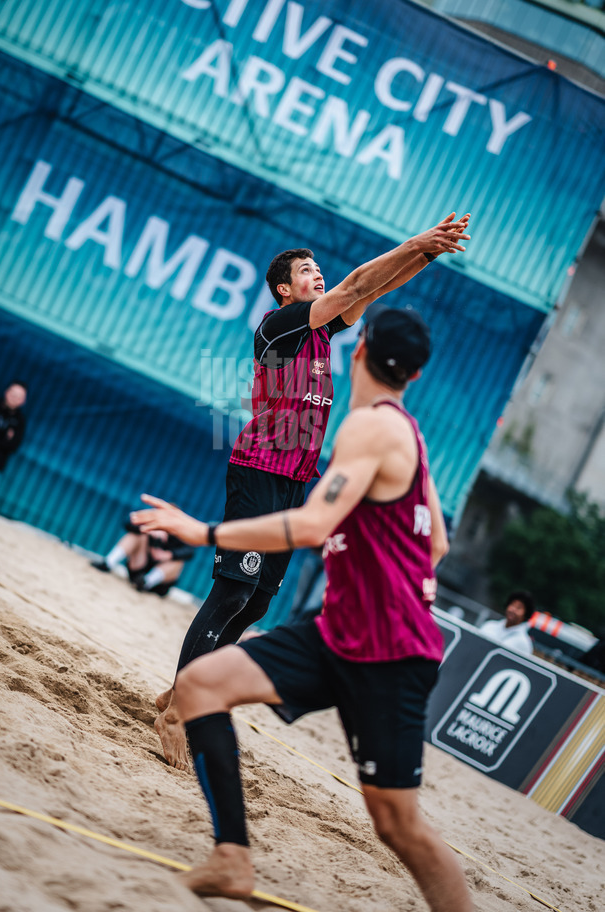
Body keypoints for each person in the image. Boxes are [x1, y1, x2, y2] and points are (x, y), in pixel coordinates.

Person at [130, 305, 472, 912]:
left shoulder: (370, 427)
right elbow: (437, 544)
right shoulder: (409, 436)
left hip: (389, 652)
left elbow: (314, 524)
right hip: (342, 630)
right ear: (416, 376)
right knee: (203, 684)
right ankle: (231, 858)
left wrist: (202, 532)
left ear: (357, 350)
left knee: (398, 826)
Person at [153, 212, 471, 769]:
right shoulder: (280, 326)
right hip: (259, 467)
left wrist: (426, 255)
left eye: (318, 268)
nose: (318, 274)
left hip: (295, 479)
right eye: (306, 270)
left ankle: (185, 691)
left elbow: (372, 288)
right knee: (231, 595)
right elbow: (356, 283)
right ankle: (180, 713)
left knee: (256, 603)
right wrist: (415, 240)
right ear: (284, 289)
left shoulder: (322, 332)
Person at [92, 523, 194, 595]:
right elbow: (128, 523)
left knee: (179, 561)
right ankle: (108, 563)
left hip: (159, 584)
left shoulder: (181, 536)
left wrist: (168, 555)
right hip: (139, 570)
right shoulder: (151, 524)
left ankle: (147, 582)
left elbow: (190, 552)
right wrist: (149, 530)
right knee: (136, 535)